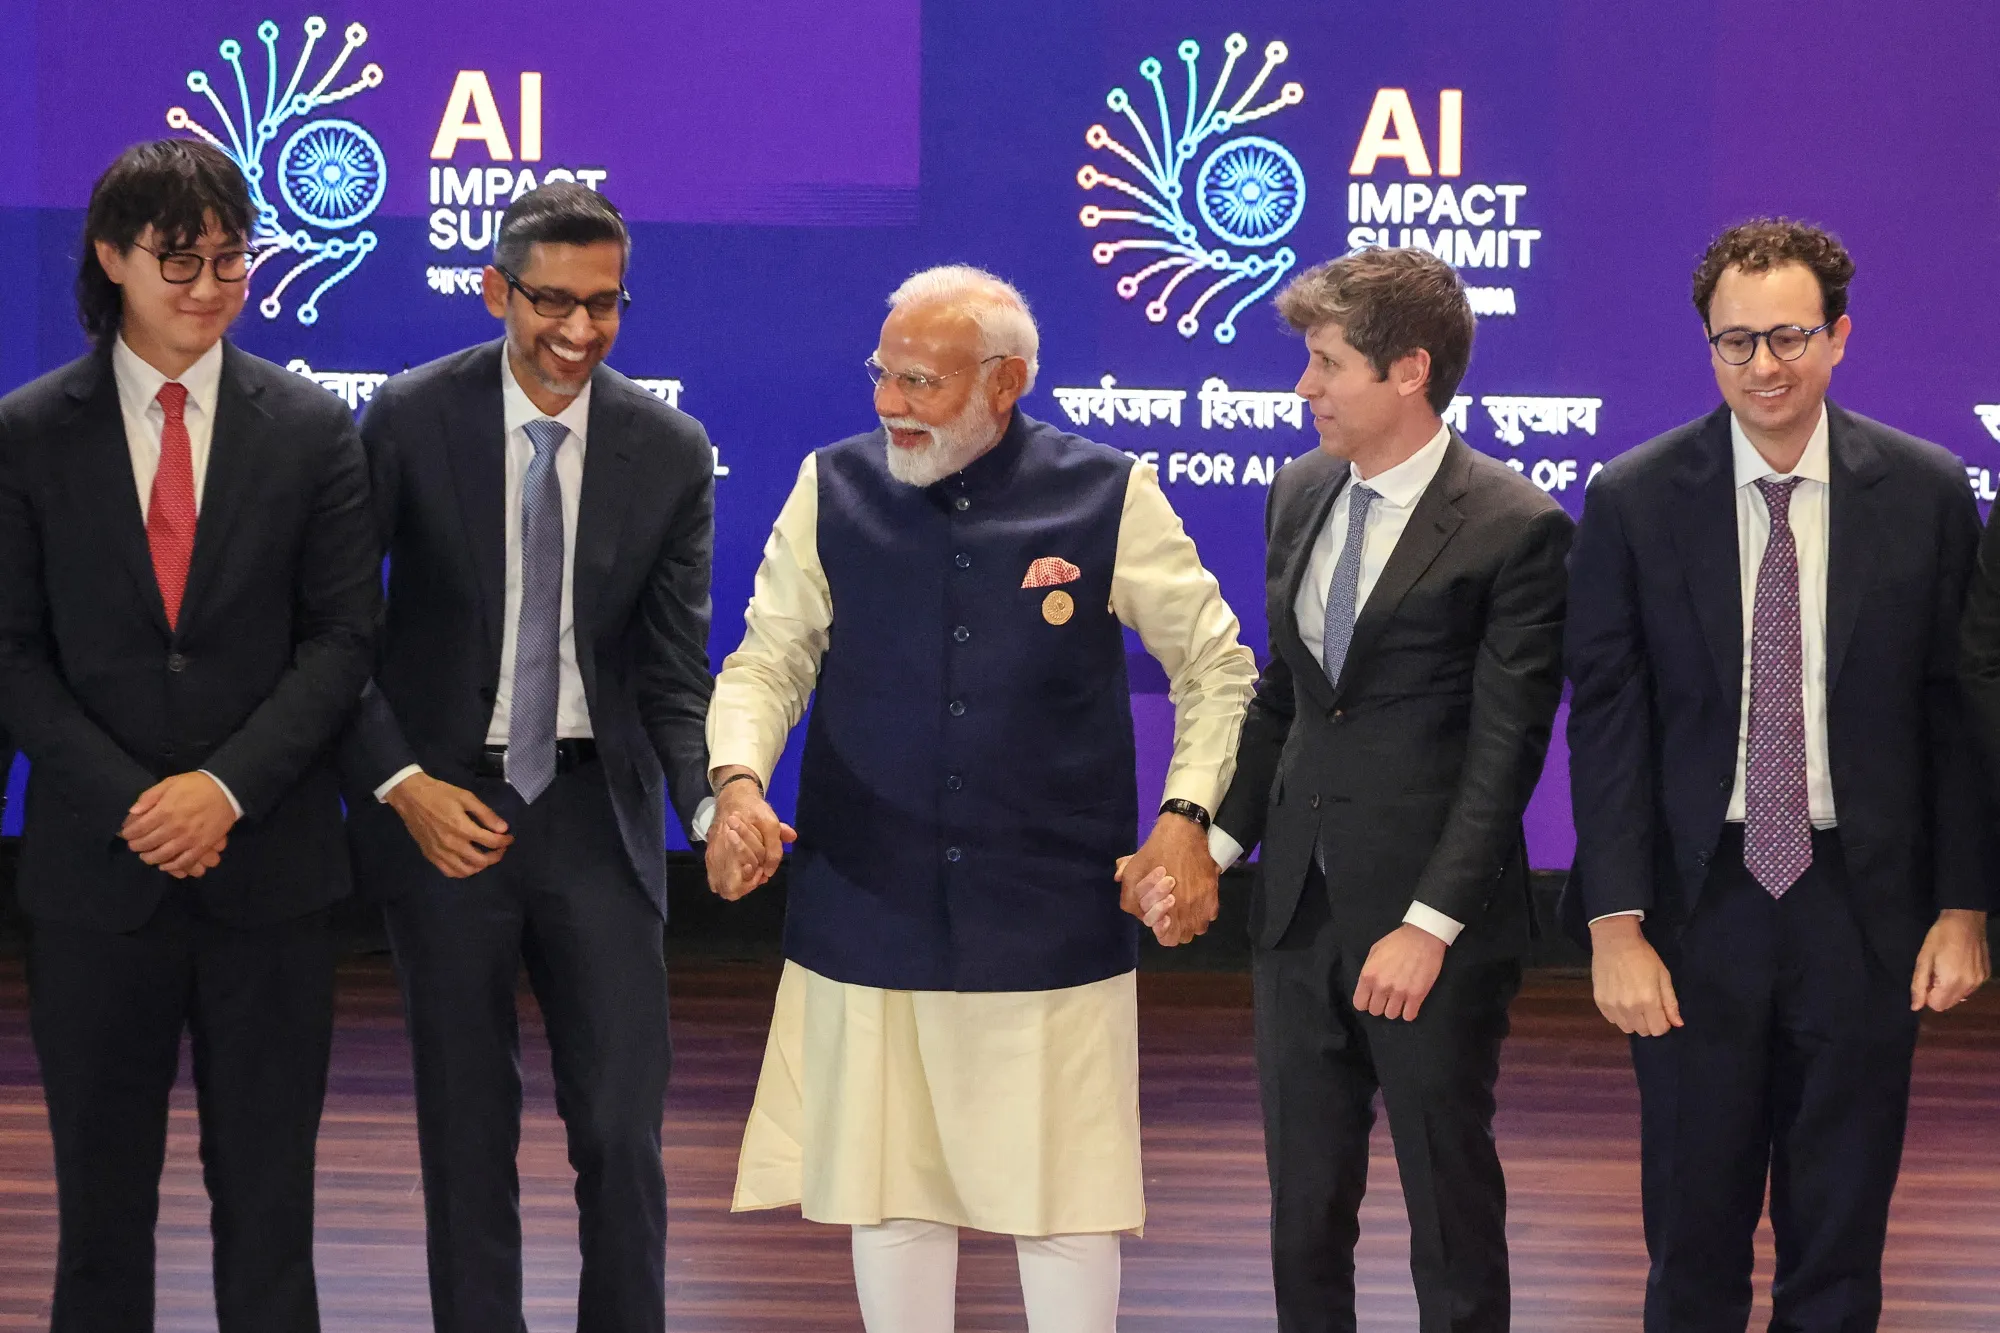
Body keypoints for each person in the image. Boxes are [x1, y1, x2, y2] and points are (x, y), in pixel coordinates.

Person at [705, 264, 1257, 1333]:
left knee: (1062, 1198)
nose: (889, 404)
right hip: (867, 900)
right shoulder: (833, 485)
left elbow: (1217, 665)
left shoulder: (1104, 491)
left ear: (1002, 385)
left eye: (921, 383)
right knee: (888, 1188)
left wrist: (1186, 820)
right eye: (882, 375)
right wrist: (736, 781)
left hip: (1047, 909)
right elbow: (766, 662)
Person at [1563, 217, 1992, 1331]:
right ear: (1706, 348)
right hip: (1695, 905)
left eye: (1789, 335)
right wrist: (1613, 923)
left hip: (1863, 903)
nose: (1763, 364)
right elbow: (1606, 721)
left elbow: (1956, 714)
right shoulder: (1633, 495)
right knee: (1690, 1240)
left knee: (1838, 1245)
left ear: (1838, 337)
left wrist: (1961, 903)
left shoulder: (1928, 491)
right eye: (1734, 342)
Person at [0, 139, 379, 1332]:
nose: (210, 285)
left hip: (265, 872)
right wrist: (137, 800)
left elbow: (340, 642)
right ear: (113, 258)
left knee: (270, 1205)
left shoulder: (313, 428)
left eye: (232, 259)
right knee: (99, 1210)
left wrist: (222, 788)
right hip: (92, 876)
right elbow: (11, 654)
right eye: (180, 260)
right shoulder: (25, 433)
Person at [337, 183, 716, 1333]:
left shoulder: (667, 449)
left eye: (604, 304)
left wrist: (710, 804)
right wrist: (403, 784)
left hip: (595, 810)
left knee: (617, 1126)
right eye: (551, 300)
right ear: (498, 289)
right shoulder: (409, 417)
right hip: (445, 805)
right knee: (466, 1125)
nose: (578, 331)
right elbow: (341, 632)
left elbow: (669, 674)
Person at [1209, 247, 1571, 1333]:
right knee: (1301, 1209)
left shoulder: (1515, 525)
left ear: (1407, 370)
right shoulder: (1298, 491)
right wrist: (1210, 847)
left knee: (1444, 1203)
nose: (1302, 388)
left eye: (1324, 363)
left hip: (1427, 928)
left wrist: (1427, 924)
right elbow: (1286, 697)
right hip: (1294, 915)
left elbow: (1504, 751)